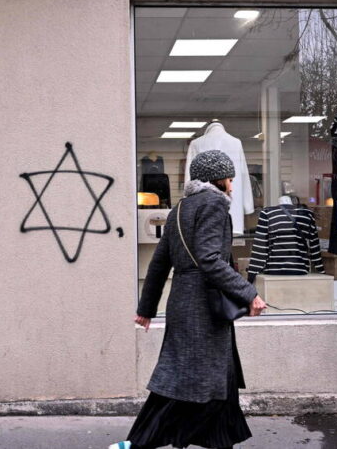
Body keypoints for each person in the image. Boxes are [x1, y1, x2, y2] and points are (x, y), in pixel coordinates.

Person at [111, 150, 267, 449]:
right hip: (204, 307)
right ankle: (137, 443)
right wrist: (249, 293)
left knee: (213, 377)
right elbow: (210, 259)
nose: (232, 186)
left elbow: (159, 264)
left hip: (183, 302)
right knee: (189, 382)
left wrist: (146, 309)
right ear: (217, 179)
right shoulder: (214, 204)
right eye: (230, 179)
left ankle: (220, 439)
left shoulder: (180, 209)